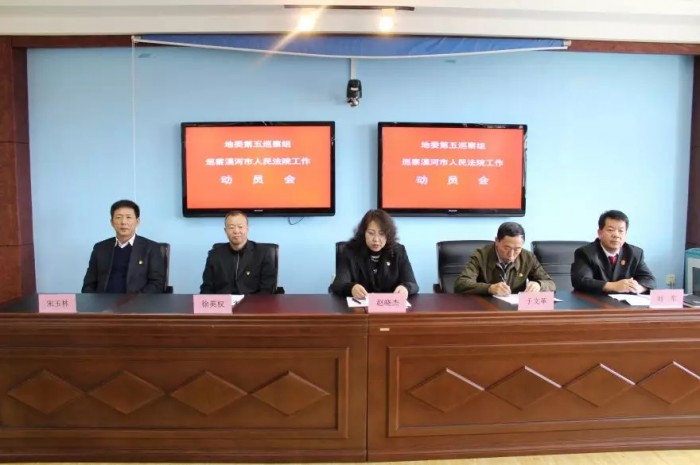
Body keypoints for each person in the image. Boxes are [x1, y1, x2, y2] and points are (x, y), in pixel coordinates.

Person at [330, 209, 419, 298]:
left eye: (381, 234)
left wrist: (405, 288)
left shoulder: (398, 251)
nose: (376, 239)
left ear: (388, 235)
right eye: (371, 233)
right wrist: (351, 288)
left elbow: (413, 284)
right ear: (363, 233)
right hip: (360, 305)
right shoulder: (350, 251)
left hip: (389, 305)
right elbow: (338, 285)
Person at [82, 199, 165, 293]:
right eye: (118, 217)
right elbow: (88, 285)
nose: (123, 222)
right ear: (112, 222)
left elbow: (156, 284)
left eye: (128, 217)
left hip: (137, 301)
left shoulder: (151, 248)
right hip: (103, 301)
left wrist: (134, 300)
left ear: (137, 221)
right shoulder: (100, 248)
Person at [454, 222, 555, 296]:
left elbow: (551, 284)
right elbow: (461, 284)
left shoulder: (528, 257)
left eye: (517, 249)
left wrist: (539, 284)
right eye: (507, 248)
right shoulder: (481, 256)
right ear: (496, 241)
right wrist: (489, 288)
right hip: (486, 308)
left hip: (516, 310)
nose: (511, 254)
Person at [571, 210, 656, 294]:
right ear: (600, 233)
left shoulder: (635, 253)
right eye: (610, 230)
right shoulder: (586, 253)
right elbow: (581, 281)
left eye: (621, 231)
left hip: (625, 302)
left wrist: (638, 288)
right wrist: (613, 286)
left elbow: (650, 280)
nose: (616, 235)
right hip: (594, 301)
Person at [200, 210, 276, 294]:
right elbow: (207, 288)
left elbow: (267, 290)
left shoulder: (263, 253)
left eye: (240, 227)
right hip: (223, 301)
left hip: (252, 301)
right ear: (225, 231)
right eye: (231, 227)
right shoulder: (214, 255)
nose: (236, 231)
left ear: (247, 229)